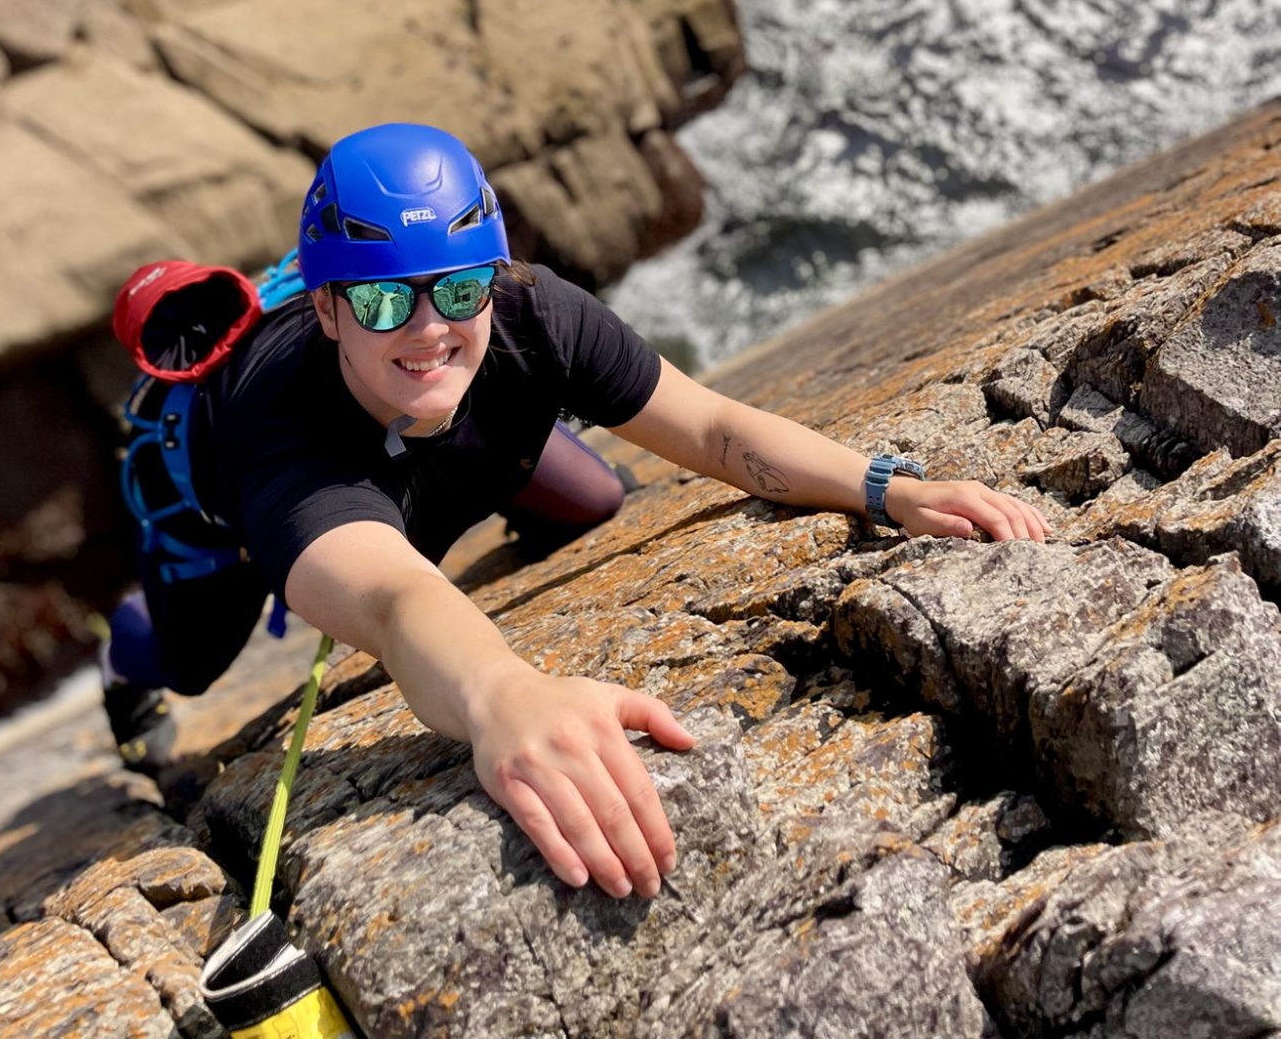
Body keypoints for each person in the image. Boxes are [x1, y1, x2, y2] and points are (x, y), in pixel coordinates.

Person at [102, 121, 1048, 903]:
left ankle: (472, 468)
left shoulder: (533, 317)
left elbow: (715, 428)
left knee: (597, 498)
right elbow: (395, 601)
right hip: (220, 522)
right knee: (185, 664)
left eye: (459, 287)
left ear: (496, 274)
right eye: (387, 300)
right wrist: (504, 696)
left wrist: (889, 488)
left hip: (436, 451)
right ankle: (123, 653)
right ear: (327, 312)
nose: (430, 328)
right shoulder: (284, 444)